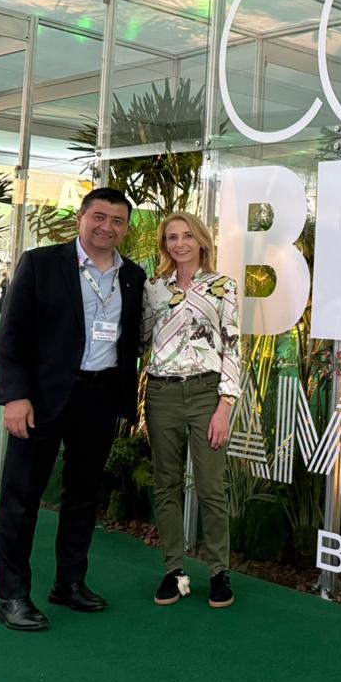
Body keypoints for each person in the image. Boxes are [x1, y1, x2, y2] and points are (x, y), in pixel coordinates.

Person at [0, 188, 145, 632]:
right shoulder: (41, 263)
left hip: (99, 398)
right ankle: (13, 596)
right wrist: (15, 396)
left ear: (125, 228)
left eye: (117, 221)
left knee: (82, 496)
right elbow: (12, 334)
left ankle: (70, 582)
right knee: (22, 496)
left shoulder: (133, 276)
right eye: (99, 216)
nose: (107, 227)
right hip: (40, 399)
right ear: (81, 217)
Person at [142, 211, 241, 608]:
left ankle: (219, 572)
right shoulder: (154, 288)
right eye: (172, 237)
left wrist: (225, 405)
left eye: (186, 236)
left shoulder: (222, 286)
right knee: (165, 484)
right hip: (161, 394)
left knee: (211, 487)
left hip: (206, 394)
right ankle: (173, 571)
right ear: (164, 244)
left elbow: (233, 346)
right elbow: (141, 338)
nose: (179, 243)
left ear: (201, 241)